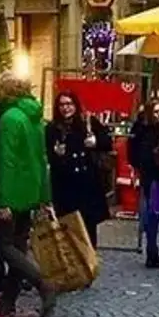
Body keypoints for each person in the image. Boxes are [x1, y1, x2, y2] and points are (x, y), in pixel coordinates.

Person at [0, 75, 56, 317]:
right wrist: (43, 196)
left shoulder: (9, 118)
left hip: (11, 189)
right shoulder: (35, 118)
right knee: (17, 245)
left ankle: (43, 284)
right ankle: (8, 301)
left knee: (4, 246)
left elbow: (5, 160)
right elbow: (42, 159)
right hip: (30, 190)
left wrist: (2, 199)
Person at [46, 91, 112, 246]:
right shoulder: (52, 128)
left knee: (88, 231)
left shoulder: (87, 122)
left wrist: (95, 142)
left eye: (69, 104)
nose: (65, 108)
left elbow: (107, 141)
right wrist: (56, 154)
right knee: (68, 231)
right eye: (62, 104)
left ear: (75, 105)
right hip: (65, 187)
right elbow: (47, 154)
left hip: (87, 185)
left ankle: (89, 265)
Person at [129, 100, 159, 268]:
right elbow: (134, 152)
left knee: (157, 213)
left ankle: (153, 251)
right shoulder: (143, 131)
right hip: (151, 177)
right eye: (156, 111)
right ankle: (152, 253)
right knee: (152, 215)